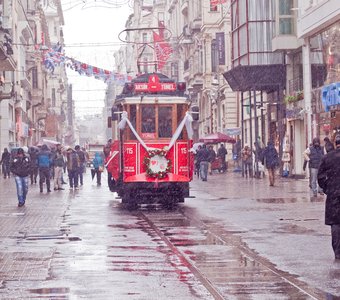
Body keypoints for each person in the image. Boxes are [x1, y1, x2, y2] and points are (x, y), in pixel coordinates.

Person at [317, 135, 340, 260]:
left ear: (335, 144)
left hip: (334, 194)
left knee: (335, 223)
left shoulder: (327, 158)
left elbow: (320, 177)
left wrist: (327, 188)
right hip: (334, 192)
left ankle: (338, 252)